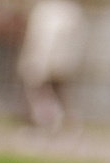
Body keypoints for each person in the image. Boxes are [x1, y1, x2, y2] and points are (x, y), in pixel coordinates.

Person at [18, 0, 88, 133]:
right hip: (64, 61)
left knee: (39, 93)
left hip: (47, 59)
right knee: (58, 93)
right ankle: (67, 124)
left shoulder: (47, 10)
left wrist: (38, 62)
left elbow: (43, 38)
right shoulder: (72, 10)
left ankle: (45, 124)